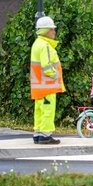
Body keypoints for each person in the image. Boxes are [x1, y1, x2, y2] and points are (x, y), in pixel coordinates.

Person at [30, 16, 65, 144]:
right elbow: (47, 66)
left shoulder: (36, 44)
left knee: (39, 110)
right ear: (45, 31)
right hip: (47, 86)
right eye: (52, 29)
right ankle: (45, 136)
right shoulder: (45, 46)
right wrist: (56, 76)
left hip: (38, 86)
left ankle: (38, 134)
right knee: (48, 111)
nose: (54, 32)